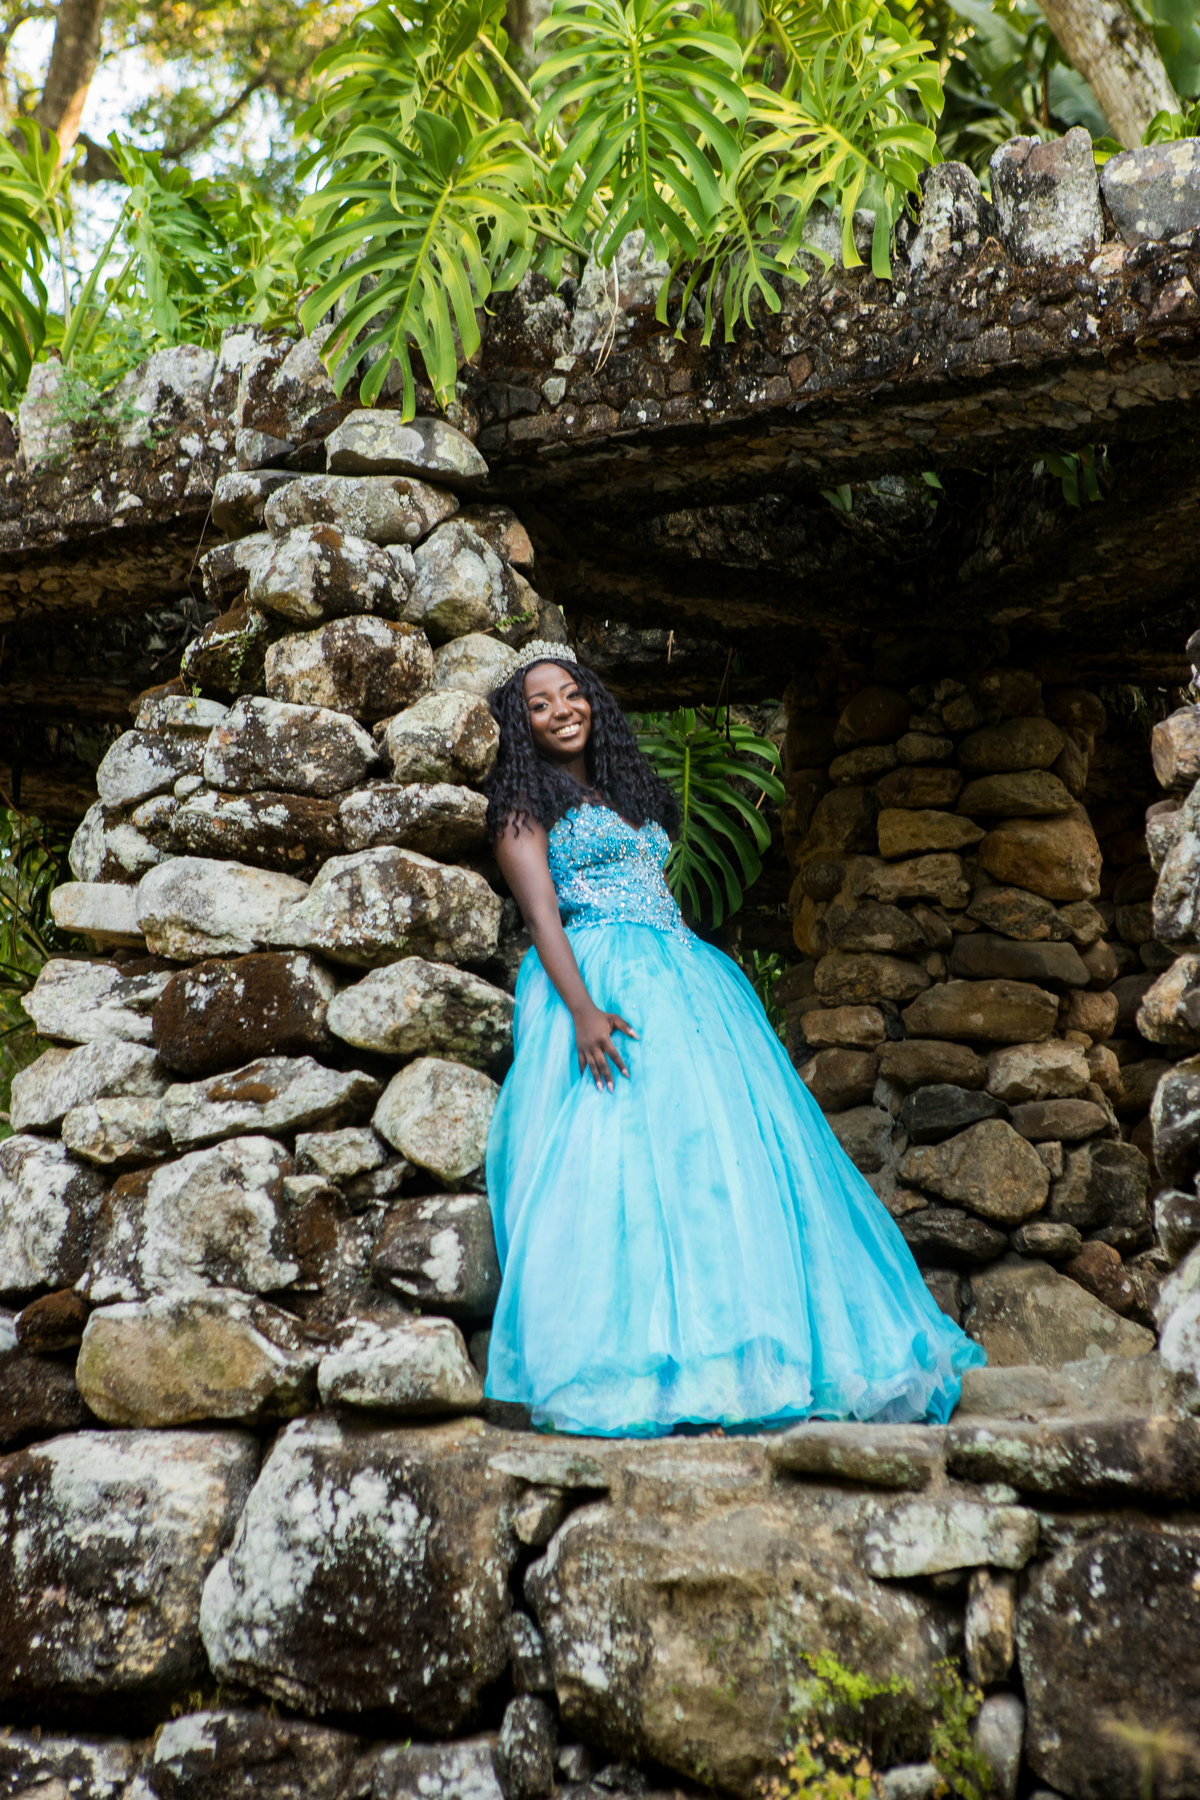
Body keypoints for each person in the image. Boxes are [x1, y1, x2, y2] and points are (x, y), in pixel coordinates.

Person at [482, 640, 985, 1438]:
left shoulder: (621, 789)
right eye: (538, 705)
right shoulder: (521, 805)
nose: (560, 711)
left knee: (709, 1164)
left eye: (569, 694)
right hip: (598, 977)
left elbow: (654, 889)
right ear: (522, 723)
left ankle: (739, 1352)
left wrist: (686, 960)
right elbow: (544, 916)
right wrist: (582, 1010)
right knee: (619, 1163)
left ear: (592, 700)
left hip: (682, 977)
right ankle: (643, 1362)